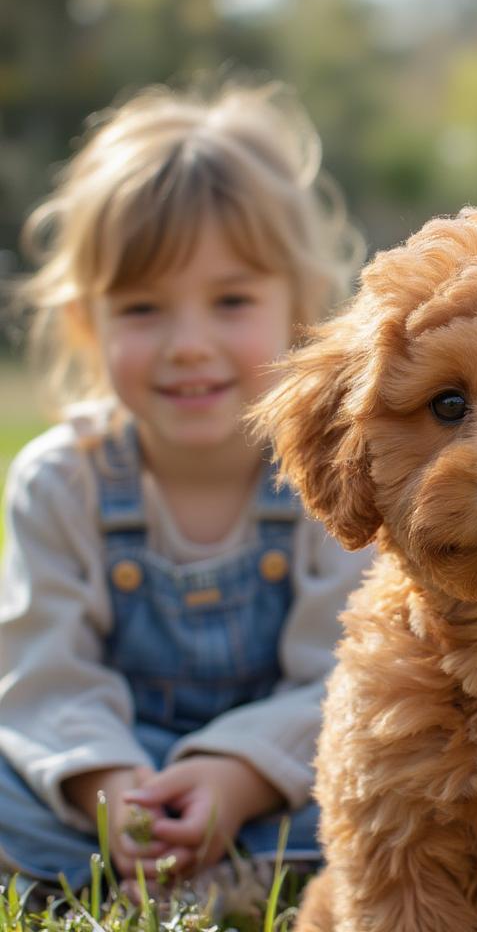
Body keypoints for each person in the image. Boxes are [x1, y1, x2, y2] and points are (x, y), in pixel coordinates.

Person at [0, 80, 371, 892]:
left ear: (299, 312)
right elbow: (42, 675)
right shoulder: (63, 482)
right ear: (84, 324)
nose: (188, 345)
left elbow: (343, 672)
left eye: (231, 300)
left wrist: (235, 779)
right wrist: (112, 793)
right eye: (142, 309)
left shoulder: (332, 473)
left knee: (387, 778)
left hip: (275, 783)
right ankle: (138, 860)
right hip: (112, 781)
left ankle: (212, 867)